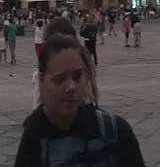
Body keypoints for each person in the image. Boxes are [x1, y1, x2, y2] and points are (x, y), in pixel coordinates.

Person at [13, 35, 146, 167]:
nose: (71, 87)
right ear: (42, 81)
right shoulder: (34, 137)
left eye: (77, 76)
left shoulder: (115, 131)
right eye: (60, 79)